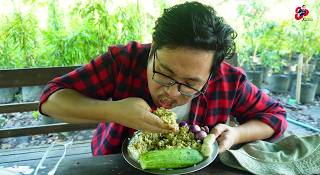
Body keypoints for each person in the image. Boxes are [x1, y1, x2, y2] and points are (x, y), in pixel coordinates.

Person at [39, 1, 287, 156]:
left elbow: (275, 118)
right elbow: (51, 100)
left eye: (190, 84)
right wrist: (113, 110)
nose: (172, 93)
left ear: (213, 73)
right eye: (164, 73)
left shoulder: (229, 81)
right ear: (154, 48)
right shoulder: (124, 61)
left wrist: (235, 134)